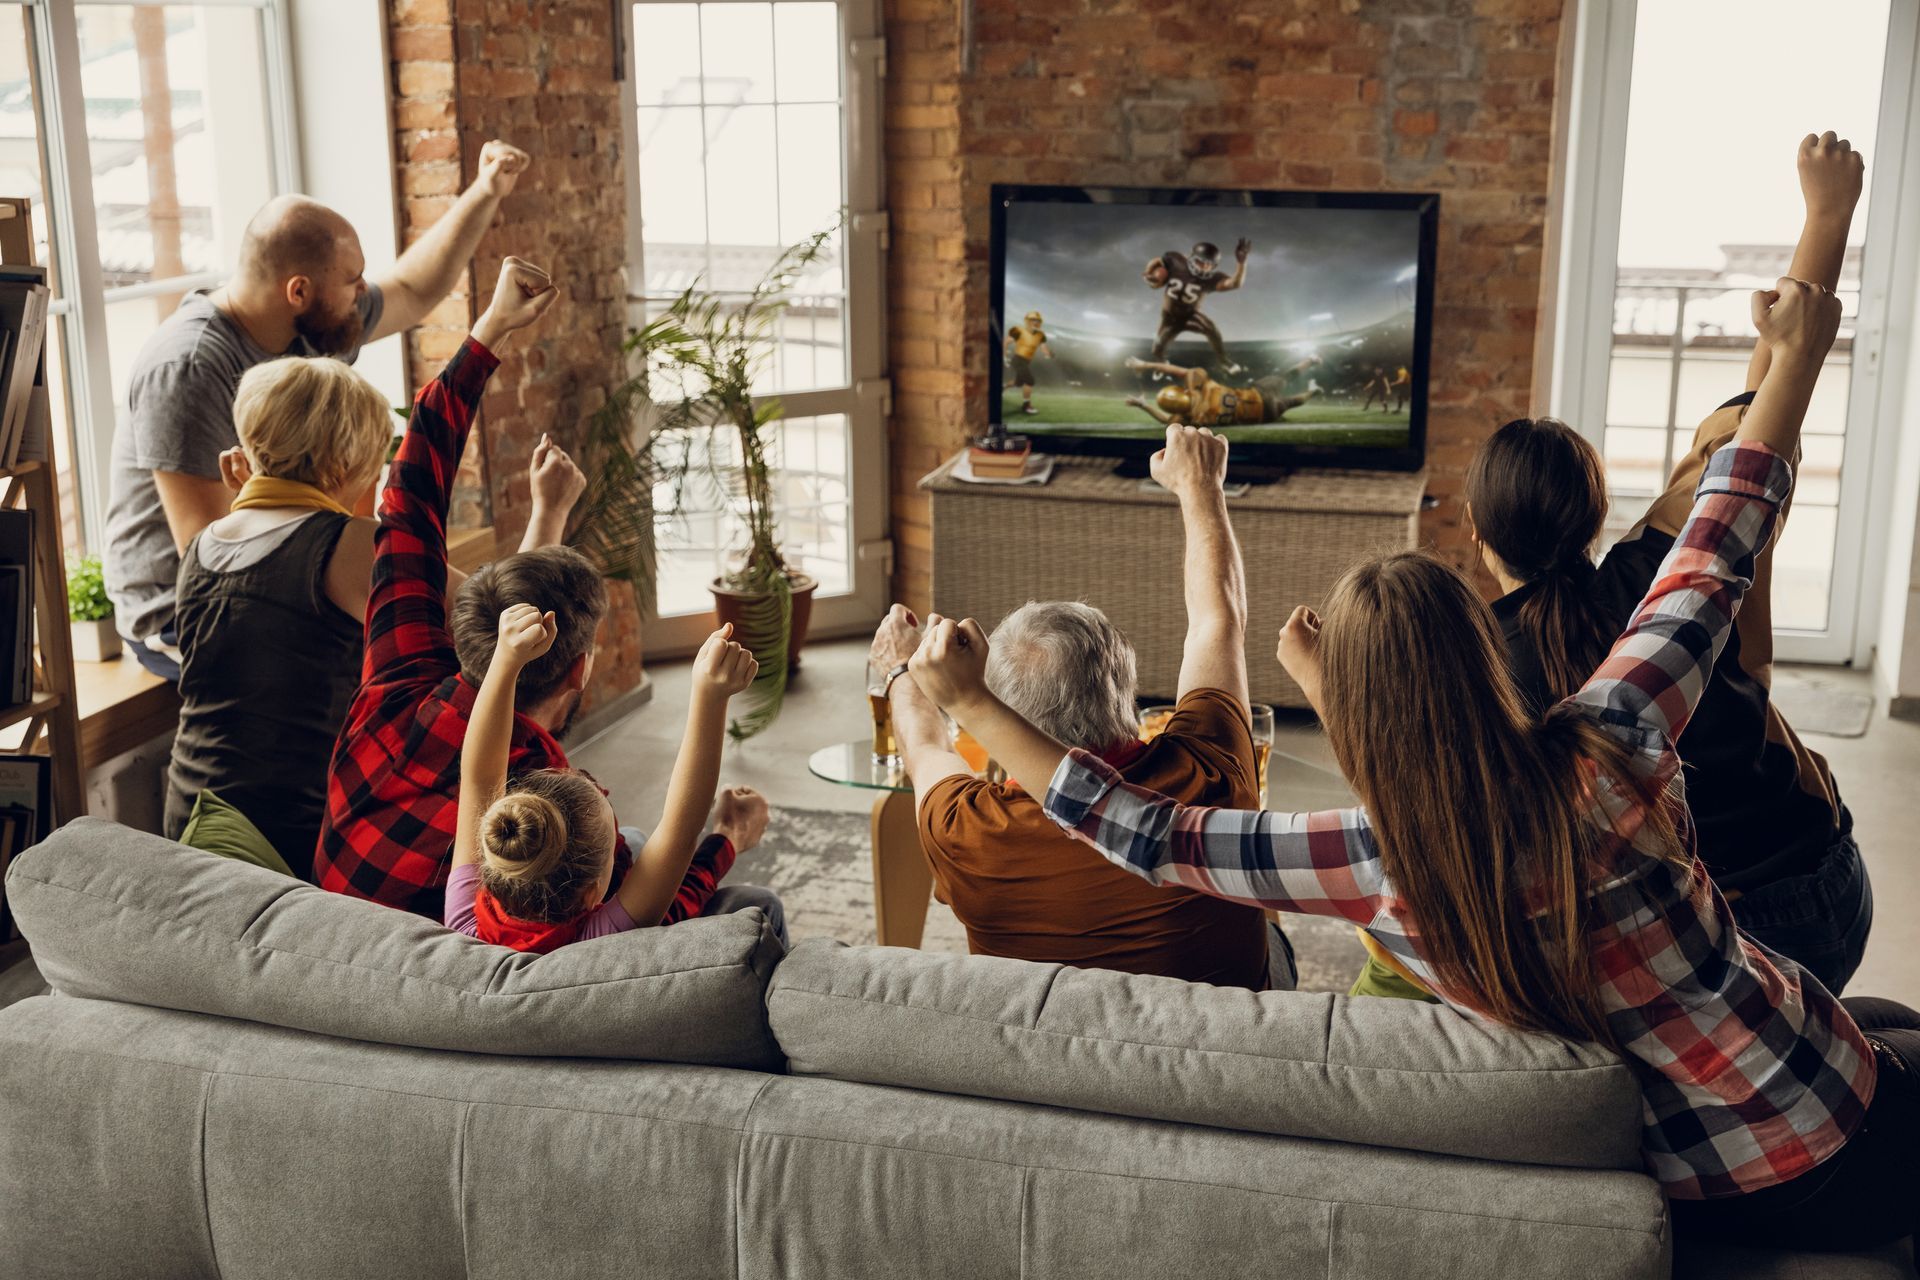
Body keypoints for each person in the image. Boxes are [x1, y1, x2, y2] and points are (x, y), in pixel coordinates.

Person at [909, 278, 1919, 1253]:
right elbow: (1714, 551)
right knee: (1889, 1028)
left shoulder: (1370, 861)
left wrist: (969, 703)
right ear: (1485, 649)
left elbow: (1144, 833)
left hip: (1710, 1164)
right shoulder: (1614, 729)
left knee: (1888, 1023)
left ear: (1361, 719)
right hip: (1816, 1124)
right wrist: (1796, 357)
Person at [1465, 131, 1870, 995]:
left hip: (1715, 940)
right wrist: (1827, 217)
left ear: (1473, 529)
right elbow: (1761, 419)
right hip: (1830, 877)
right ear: (1593, 513)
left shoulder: (1488, 672)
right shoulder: (1669, 559)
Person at [312, 263, 784, 936]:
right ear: (580, 671)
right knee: (735, 895)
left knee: (640, 841)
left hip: (335, 937)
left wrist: (489, 331)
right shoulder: (549, 808)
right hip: (418, 962)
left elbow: (410, 496)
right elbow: (651, 915)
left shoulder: (397, 678)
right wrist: (726, 841)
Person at [160, 263, 589, 879]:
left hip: (192, 816)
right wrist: (549, 512)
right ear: (345, 467)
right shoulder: (348, 546)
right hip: (291, 839)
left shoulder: (204, 545)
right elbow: (500, 625)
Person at [869, 424, 1292, 990]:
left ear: (1003, 706)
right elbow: (1218, 619)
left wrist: (901, 666)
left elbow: (924, 745)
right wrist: (1201, 486)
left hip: (1046, 1045)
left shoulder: (965, 829)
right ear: (1125, 686)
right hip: (1222, 1036)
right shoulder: (1210, 770)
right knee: (1273, 937)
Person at [105, 140, 535, 680]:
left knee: (420, 632)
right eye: (352, 281)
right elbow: (204, 554)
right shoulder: (189, 368)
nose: (364, 291)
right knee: (406, 654)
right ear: (298, 291)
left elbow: (413, 289)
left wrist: (486, 190)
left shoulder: (311, 327)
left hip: (282, 570)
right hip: (180, 614)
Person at [446, 603, 777, 951]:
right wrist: (712, 698)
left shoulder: (464, 923)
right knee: (763, 905)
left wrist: (505, 660)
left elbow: (481, 778)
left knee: (634, 839)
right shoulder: (600, 941)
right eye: (610, 855)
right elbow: (681, 830)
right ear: (593, 895)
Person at [1123, 355, 1319, 428]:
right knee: (1285, 377)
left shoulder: (1193, 418)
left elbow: (1165, 420)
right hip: (1256, 394)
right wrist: (1145, 365)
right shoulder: (1203, 388)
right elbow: (1177, 370)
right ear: (1181, 392)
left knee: (1293, 402)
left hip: (1262, 414)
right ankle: (1310, 361)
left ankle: (1312, 391)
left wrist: (1143, 405)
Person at [1143, 238, 1249, 370]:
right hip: (1169, 317)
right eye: (1200, 261)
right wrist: (1149, 272)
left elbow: (1235, 283)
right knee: (1157, 349)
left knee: (1212, 329)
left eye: (1209, 264)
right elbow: (1158, 260)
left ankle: (1223, 361)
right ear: (1191, 257)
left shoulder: (1211, 279)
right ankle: (1162, 362)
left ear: (1214, 266)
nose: (1204, 267)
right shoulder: (1176, 261)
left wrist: (1241, 264)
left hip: (1190, 315)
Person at [1003, 311, 1052, 415]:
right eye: (1033, 320)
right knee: (1030, 381)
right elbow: (1006, 342)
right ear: (1027, 321)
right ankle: (1026, 405)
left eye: (1038, 320)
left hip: (1026, 361)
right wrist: (1004, 356)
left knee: (1018, 383)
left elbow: (1043, 347)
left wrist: (1048, 353)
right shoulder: (1019, 330)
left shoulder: (1040, 335)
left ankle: (1003, 386)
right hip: (1018, 359)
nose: (1036, 322)